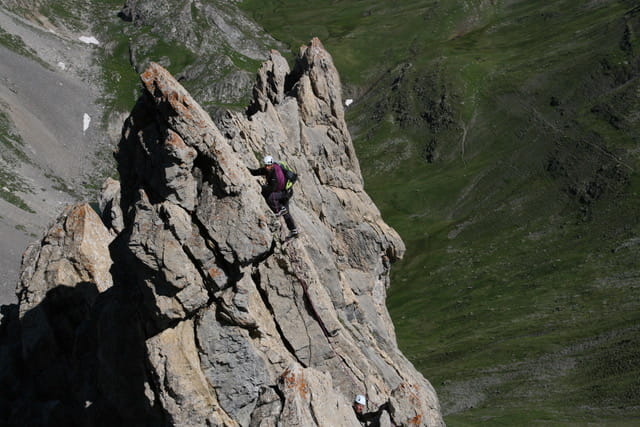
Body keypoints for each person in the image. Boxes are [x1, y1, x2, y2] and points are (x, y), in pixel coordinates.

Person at [249, 155, 298, 237]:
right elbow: (258, 171)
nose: (267, 167)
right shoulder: (270, 168)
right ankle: (293, 230)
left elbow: (272, 189)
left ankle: (278, 210)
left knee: (270, 197)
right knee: (286, 212)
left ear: (271, 164)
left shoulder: (275, 174)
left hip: (284, 193)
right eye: (266, 165)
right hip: (285, 192)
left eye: (268, 165)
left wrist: (261, 188)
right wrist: (248, 170)